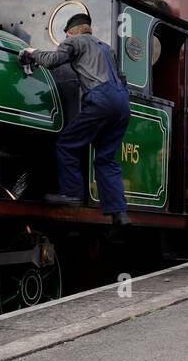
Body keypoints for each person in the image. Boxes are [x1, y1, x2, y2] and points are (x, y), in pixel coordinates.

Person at [19, 14, 131, 227]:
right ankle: (119, 212)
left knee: (67, 144)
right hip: (123, 104)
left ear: (70, 32)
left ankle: (71, 194)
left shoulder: (74, 41)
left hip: (101, 99)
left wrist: (31, 52)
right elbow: (122, 79)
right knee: (106, 159)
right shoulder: (107, 48)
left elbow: (53, 61)